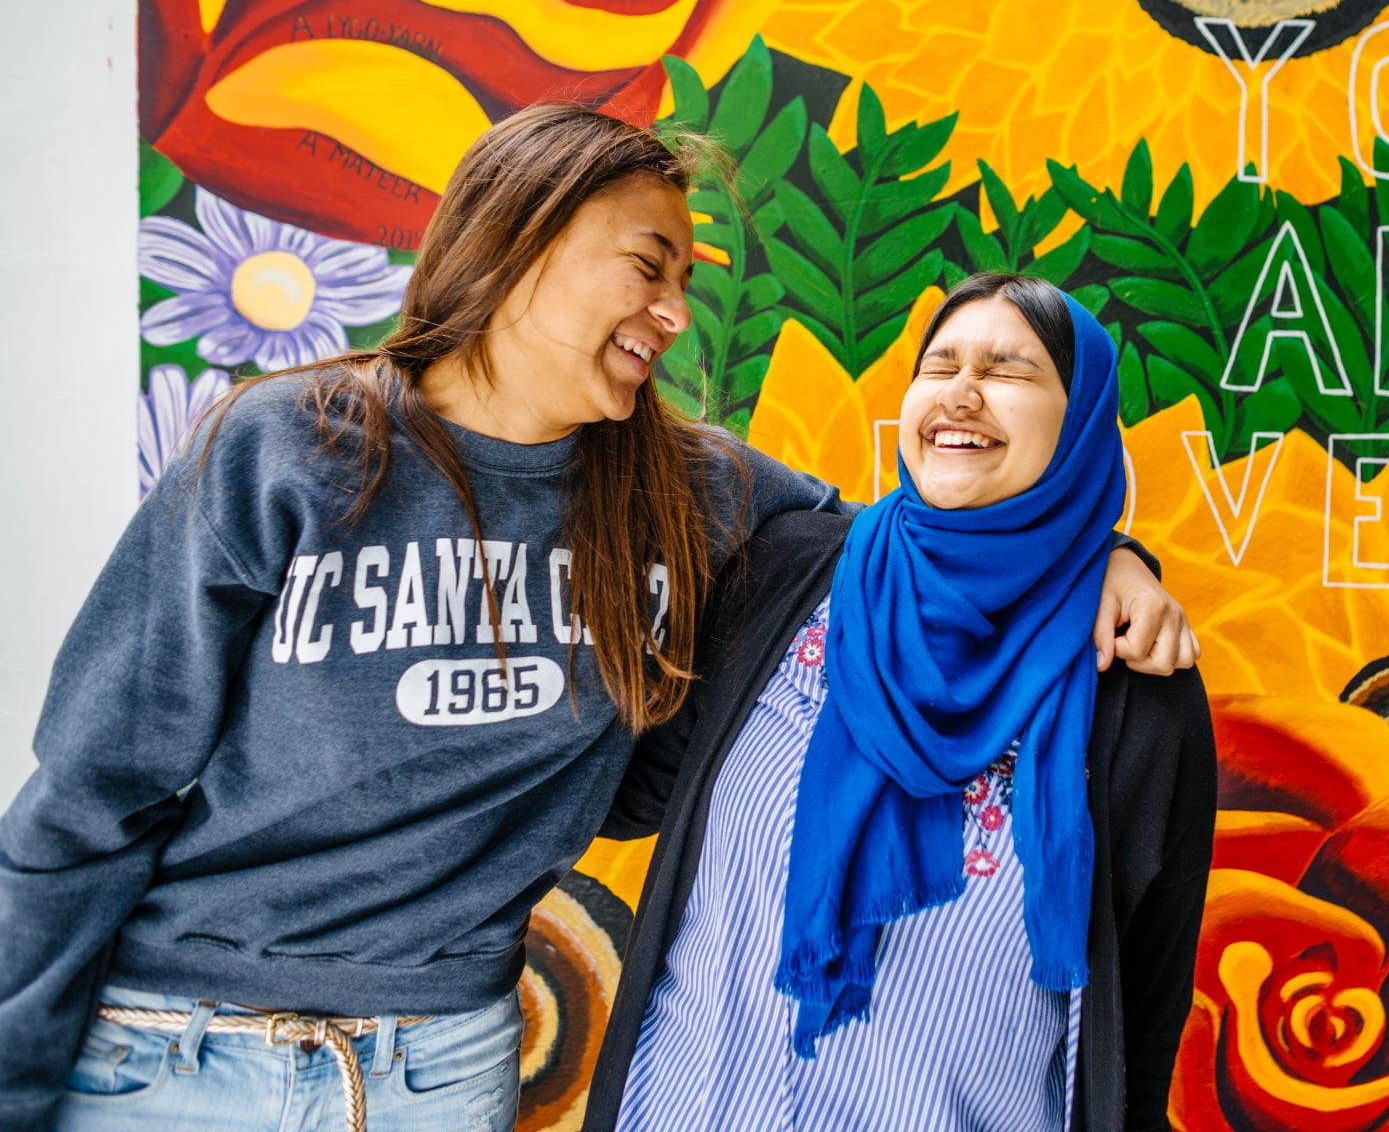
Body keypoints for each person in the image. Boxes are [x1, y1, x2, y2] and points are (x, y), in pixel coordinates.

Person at [0, 107, 1196, 1132]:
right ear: (525, 238)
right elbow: (95, 785)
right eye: (649, 264)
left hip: (440, 1059)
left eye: (687, 281)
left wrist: (1104, 558)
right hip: (170, 1043)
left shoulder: (696, 487)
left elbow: (928, 529)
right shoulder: (289, 448)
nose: (675, 311)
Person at [585, 274, 1217, 1131]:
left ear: (1079, 427)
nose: (961, 391)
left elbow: (1144, 1003)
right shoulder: (785, 570)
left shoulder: (1135, 685)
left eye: (1009, 369)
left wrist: (1108, 558)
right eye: (941, 363)